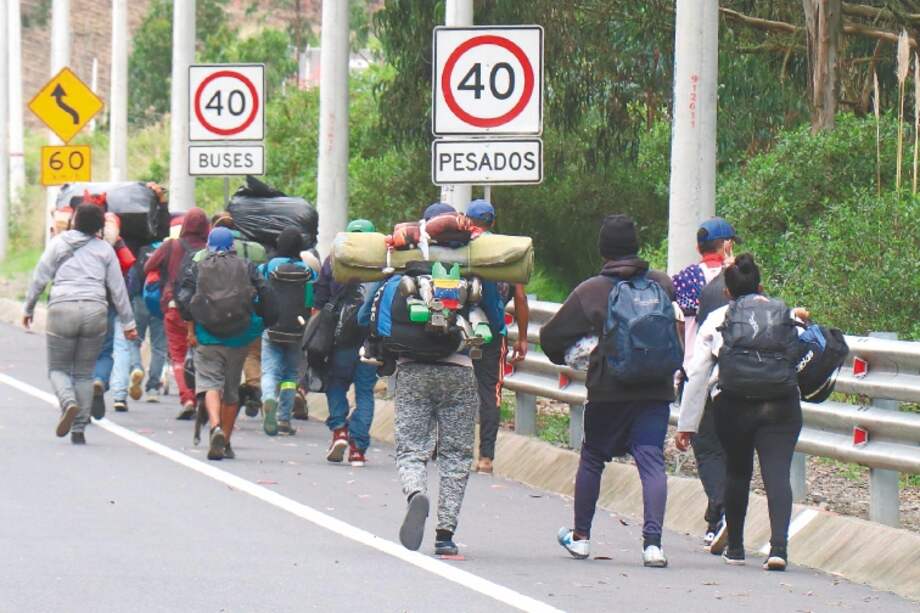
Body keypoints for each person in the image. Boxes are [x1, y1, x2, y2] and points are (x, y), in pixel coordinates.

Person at [541, 214, 679, 568]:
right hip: (655, 389)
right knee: (651, 461)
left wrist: (575, 353)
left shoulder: (591, 291)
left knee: (592, 458)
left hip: (608, 391)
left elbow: (551, 339)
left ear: (603, 249)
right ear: (636, 246)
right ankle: (653, 545)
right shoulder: (662, 285)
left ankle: (582, 538)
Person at [675, 254, 807, 572]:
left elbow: (698, 374)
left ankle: (735, 548)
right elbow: (802, 355)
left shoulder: (720, 317)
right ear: (762, 286)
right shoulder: (785, 313)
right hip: (781, 404)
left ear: (727, 293)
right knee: (777, 474)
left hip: (734, 405)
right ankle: (778, 549)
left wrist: (687, 424)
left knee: (737, 472)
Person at [393, 203, 505, 557]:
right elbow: (496, 322)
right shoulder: (474, 268)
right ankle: (445, 534)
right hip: (458, 370)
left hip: (413, 370)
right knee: (456, 455)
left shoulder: (407, 263)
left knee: (411, 448)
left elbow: (379, 316)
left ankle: (415, 492)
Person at [23, 204, 138, 444]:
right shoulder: (105, 250)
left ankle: (68, 402)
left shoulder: (58, 243)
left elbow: (40, 276)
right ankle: (78, 428)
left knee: (58, 368)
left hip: (62, 308)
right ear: (99, 226)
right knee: (85, 373)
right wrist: (129, 323)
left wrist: (29, 307)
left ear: (74, 220)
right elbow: (118, 290)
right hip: (95, 310)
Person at [177, 227, 276, 461]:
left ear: (209, 245)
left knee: (210, 384)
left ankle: (215, 427)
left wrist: (193, 319)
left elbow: (183, 298)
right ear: (233, 246)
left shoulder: (199, 265)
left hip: (208, 335)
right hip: (239, 336)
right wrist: (264, 319)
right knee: (231, 390)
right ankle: (226, 441)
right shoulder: (247, 266)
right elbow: (267, 293)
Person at [671, 217, 739, 549]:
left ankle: (719, 516)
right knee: (729, 449)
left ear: (699, 248)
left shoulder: (684, 278)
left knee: (708, 449)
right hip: (737, 374)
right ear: (727, 245)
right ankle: (718, 519)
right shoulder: (740, 278)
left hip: (696, 372)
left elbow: (681, 326)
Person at [464, 200, 529, 475]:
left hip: (459, 328)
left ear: (468, 222)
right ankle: (486, 458)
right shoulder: (505, 250)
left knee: (453, 385)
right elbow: (521, 298)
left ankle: (439, 446)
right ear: (492, 222)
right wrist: (522, 338)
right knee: (489, 392)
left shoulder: (458, 246)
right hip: (492, 332)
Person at [316, 219, 380, 467]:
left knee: (336, 383)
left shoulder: (334, 260)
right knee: (365, 392)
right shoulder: (382, 264)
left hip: (340, 337)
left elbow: (320, 301)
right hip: (371, 340)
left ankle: (340, 430)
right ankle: (358, 449)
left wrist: (316, 335)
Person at [145, 208, 210, 420]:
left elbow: (148, 266)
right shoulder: (209, 250)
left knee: (178, 355)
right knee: (203, 355)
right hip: (202, 310)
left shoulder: (171, 245)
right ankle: (204, 398)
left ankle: (187, 398)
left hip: (174, 306)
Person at [258, 228, 318, 437]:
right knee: (290, 375)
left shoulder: (268, 267)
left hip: (272, 326)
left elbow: (258, 289)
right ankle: (284, 419)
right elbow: (314, 296)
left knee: (270, 371)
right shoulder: (308, 270)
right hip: (298, 328)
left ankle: (268, 399)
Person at [211, 212, 268, 418]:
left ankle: (222, 399)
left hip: (221, 311)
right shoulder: (257, 249)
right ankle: (254, 387)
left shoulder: (213, 249)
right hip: (251, 309)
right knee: (252, 353)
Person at [110, 240, 169, 411]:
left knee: (134, 340)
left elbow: (134, 278)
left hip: (141, 299)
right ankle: (152, 389)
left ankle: (137, 367)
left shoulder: (144, 250)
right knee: (159, 347)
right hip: (161, 301)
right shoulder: (170, 248)